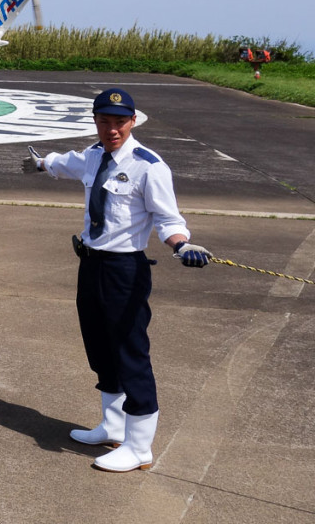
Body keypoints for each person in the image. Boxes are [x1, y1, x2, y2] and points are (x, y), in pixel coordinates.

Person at [23, 87, 212, 472]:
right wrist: (41, 163)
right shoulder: (93, 156)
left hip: (125, 270)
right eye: (105, 121)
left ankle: (139, 446)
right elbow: (64, 163)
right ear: (96, 121)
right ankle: (112, 426)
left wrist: (182, 245)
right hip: (90, 265)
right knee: (98, 346)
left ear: (133, 121)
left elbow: (169, 218)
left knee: (130, 352)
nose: (112, 129)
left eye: (120, 122)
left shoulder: (150, 165)